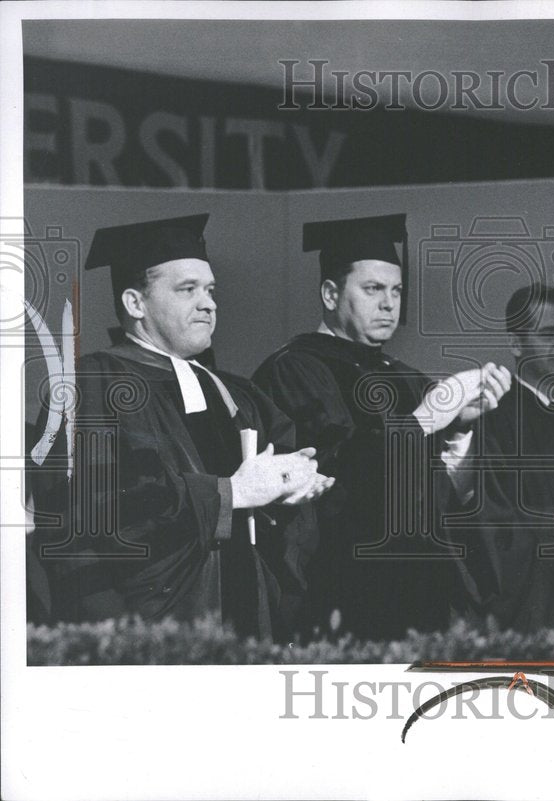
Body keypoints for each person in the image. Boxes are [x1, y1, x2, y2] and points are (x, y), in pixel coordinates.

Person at [29, 214, 334, 641]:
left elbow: (279, 485)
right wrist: (232, 493)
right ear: (136, 304)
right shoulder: (90, 386)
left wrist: (294, 484)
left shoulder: (236, 393)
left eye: (210, 290)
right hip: (151, 632)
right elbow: (89, 518)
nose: (209, 304)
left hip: (246, 618)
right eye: (187, 289)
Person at [253, 213, 511, 640]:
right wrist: (428, 418)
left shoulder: (407, 377)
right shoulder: (295, 369)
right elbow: (341, 468)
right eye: (373, 289)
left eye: (396, 291)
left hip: (424, 590)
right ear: (331, 293)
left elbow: (446, 496)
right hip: (344, 587)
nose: (389, 303)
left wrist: (459, 431)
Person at [455, 283, 554, 632]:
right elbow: (489, 521)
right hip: (533, 605)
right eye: (548, 333)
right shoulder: (492, 417)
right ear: (516, 343)